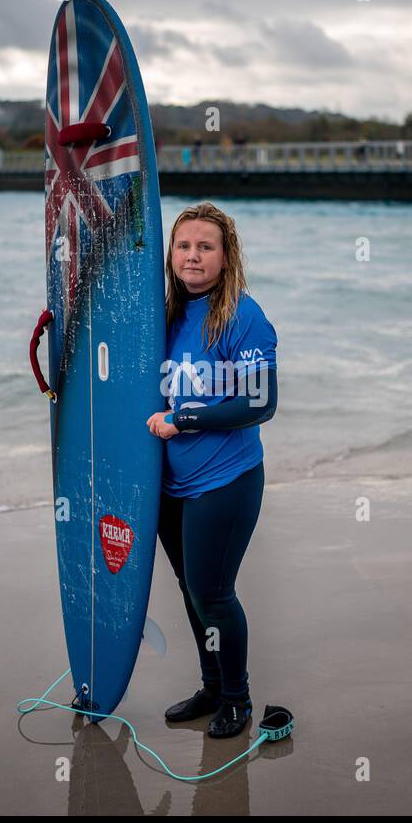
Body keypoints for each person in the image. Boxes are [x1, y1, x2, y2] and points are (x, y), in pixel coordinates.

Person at [145, 201, 278, 739]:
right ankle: (209, 686)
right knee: (190, 590)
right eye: (183, 245)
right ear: (171, 253)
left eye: (206, 246)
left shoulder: (243, 316)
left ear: (226, 257)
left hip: (226, 480)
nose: (193, 255)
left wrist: (185, 418)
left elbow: (261, 402)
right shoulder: (165, 315)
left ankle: (237, 698)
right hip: (170, 484)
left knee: (213, 592)